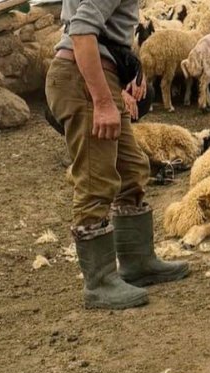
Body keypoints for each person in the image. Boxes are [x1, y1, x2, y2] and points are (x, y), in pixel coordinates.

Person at [46, 0, 189, 310]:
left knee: (132, 168)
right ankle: (98, 284)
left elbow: (100, 32)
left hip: (94, 75)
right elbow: (82, 31)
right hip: (82, 79)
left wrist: (125, 71)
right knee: (96, 178)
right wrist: (101, 101)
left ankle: (137, 262)